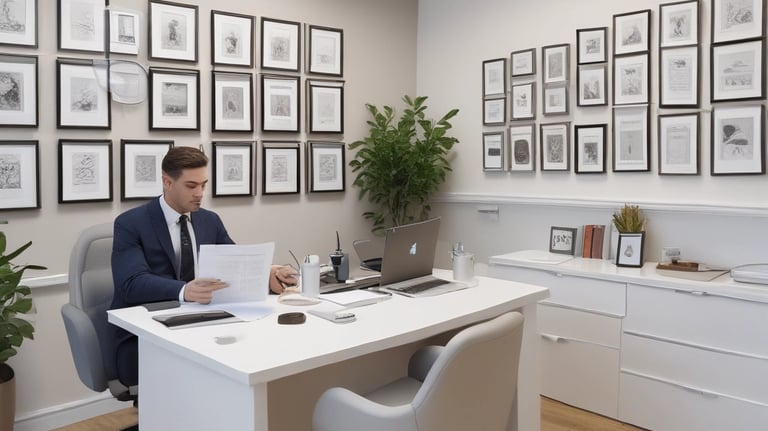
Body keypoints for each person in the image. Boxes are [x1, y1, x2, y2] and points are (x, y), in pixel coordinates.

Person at [109, 146, 297, 387]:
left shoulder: (210, 221)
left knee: (256, 353)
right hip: (145, 335)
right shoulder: (130, 223)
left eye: (203, 185)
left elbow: (235, 265)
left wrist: (267, 273)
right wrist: (184, 290)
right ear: (167, 182)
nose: (199, 193)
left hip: (202, 325)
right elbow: (131, 283)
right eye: (191, 186)